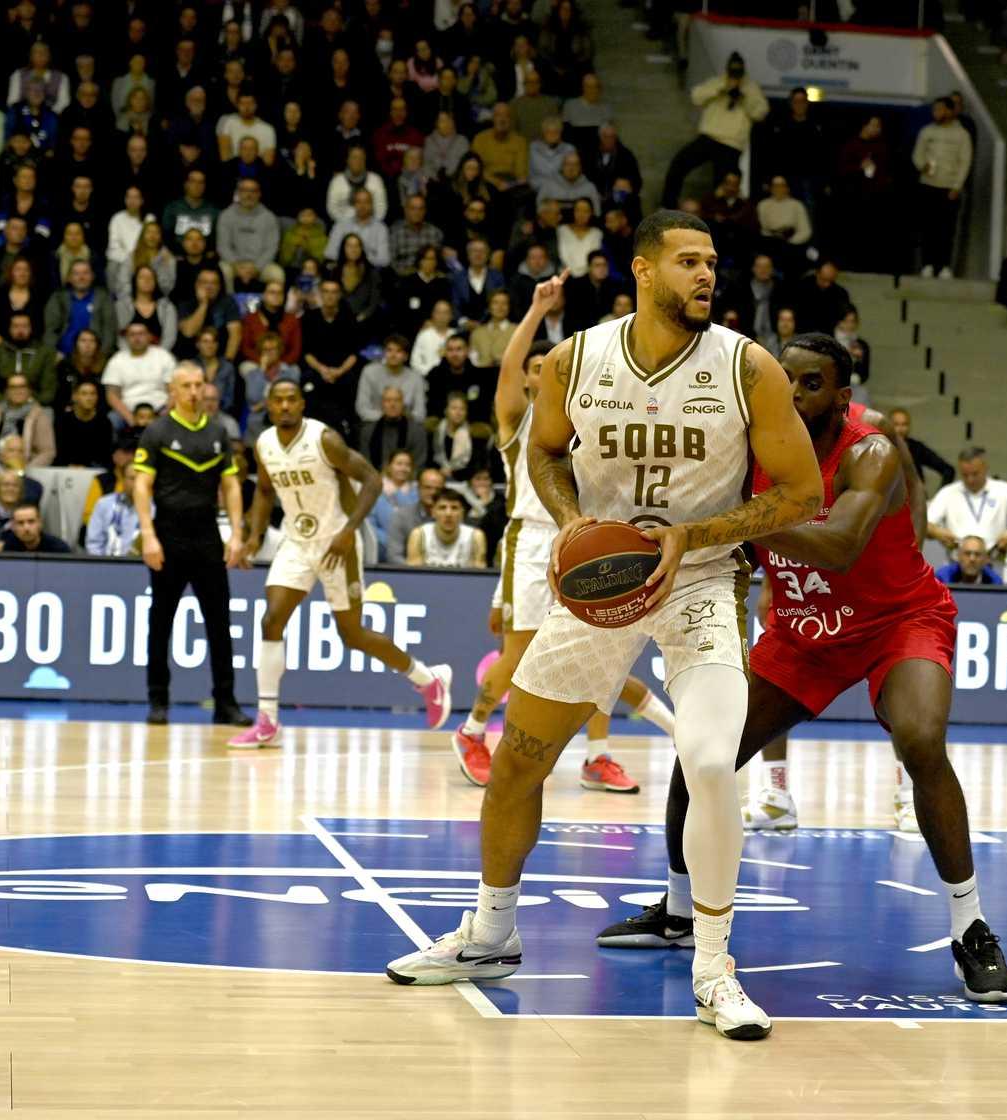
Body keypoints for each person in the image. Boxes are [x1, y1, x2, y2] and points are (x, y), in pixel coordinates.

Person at [385, 211, 824, 1044]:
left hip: (701, 578)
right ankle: (490, 932)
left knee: (706, 761)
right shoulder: (576, 358)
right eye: (689, 261)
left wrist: (691, 536)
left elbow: (801, 494)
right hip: (603, 581)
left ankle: (713, 966)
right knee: (519, 756)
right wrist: (574, 525)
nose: (706, 275)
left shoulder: (746, 367)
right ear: (643, 270)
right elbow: (542, 453)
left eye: (713, 264)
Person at [596, 333, 1007, 1005]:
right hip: (803, 631)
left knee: (920, 738)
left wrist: (729, 523)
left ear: (841, 396)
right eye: (783, 380)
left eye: (810, 384)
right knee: (703, 749)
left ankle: (971, 927)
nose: (791, 394)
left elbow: (843, 545)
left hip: (896, 619)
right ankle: (680, 911)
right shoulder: (749, 445)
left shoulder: (872, 450)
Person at [449, 276, 673, 794]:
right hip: (530, 543)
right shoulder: (518, 417)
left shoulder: (592, 419)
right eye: (535, 368)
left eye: (547, 367)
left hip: (586, 544)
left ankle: (598, 755)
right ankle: (473, 731)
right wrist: (535, 311)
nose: (539, 372)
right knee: (520, 655)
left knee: (598, 655)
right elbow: (508, 369)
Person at [230, 379, 452, 749]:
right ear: (268, 406)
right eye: (278, 401)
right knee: (271, 619)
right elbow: (266, 492)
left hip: (338, 543)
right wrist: (253, 535)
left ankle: (428, 678)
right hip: (297, 541)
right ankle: (267, 719)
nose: (285, 406)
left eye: (291, 399)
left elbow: (371, 480)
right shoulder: (265, 444)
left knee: (352, 635)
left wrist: (350, 529)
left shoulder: (324, 439)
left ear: (302, 404)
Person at [131, 362, 252, 728]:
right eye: (187, 386)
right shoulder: (157, 431)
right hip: (168, 533)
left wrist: (236, 532)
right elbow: (141, 485)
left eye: (200, 385)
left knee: (219, 623)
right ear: (173, 391)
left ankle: (226, 703)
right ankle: (158, 700)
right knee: (160, 622)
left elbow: (230, 485)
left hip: (206, 536)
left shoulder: (218, 432)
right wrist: (148, 535)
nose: (195, 392)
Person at [659, 53, 766, 209]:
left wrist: (744, 95)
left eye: (738, 70)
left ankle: (714, 221)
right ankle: (667, 206)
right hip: (708, 138)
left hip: (731, 145)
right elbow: (696, 96)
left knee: (722, 188)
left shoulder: (751, 88)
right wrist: (722, 87)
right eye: (732, 69)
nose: (734, 73)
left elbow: (760, 113)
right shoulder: (718, 81)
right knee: (678, 164)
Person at [924, 446, 1007, 561]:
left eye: (975, 474)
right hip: (957, 563)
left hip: (993, 561)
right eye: (965, 475)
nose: (970, 479)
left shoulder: (1003, 489)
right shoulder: (948, 492)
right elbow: (924, 524)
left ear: (985, 468)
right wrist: (937, 532)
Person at [912, 97, 973, 278]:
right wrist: (922, 165)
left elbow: (965, 162)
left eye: (940, 110)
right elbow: (917, 154)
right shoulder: (927, 131)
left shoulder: (962, 135)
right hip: (928, 185)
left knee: (946, 230)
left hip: (949, 188)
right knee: (927, 227)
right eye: (934, 110)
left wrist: (957, 186)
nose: (936, 113)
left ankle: (945, 265)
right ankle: (927, 264)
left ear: (949, 111)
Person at [406, 486, 487, 567]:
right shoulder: (419, 535)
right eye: (442, 508)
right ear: (433, 512)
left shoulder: (475, 537)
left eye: (454, 508)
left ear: (462, 513)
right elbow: (414, 576)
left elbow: (479, 576)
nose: (448, 514)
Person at [0, 500, 69, 553]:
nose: (26, 527)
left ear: (40, 523)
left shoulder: (59, 550)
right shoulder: (7, 549)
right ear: (13, 527)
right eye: (20, 523)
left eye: (31, 522)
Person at [937, 534, 1003, 584]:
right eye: (967, 553)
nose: (972, 559)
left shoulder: (995, 582)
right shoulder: (942, 580)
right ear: (958, 556)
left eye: (977, 554)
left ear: (986, 559)